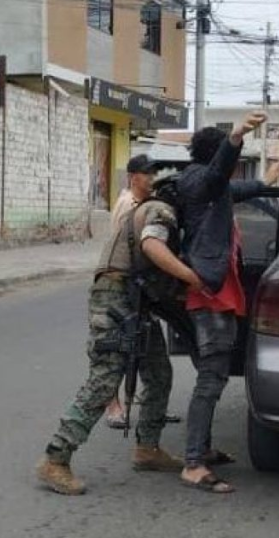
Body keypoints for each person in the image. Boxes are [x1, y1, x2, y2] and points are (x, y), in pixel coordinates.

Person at [36, 157, 205, 495]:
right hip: (115, 301)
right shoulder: (161, 211)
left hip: (134, 304)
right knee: (105, 380)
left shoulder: (146, 208)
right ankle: (56, 458)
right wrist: (192, 278)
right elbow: (152, 246)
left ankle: (147, 448)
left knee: (159, 373)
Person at [175, 111, 275, 493]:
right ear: (215, 156)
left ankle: (202, 449)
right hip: (209, 295)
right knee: (211, 379)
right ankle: (193, 463)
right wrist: (235, 137)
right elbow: (218, 176)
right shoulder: (196, 180)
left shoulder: (216, 189)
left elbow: (239, 188)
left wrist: (268, 181)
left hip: (222, 294)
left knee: (212, 377)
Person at [103, 156, 181, 430]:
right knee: (121, 348)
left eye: (154, 174)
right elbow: (138, 244)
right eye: (147, 174)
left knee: (140, 347)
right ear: (133, 177)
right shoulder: (130, 203)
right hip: (124, 282)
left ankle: (152, 406)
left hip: (137, 284)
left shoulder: (142, 202)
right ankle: (114, 405)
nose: (152, 179)